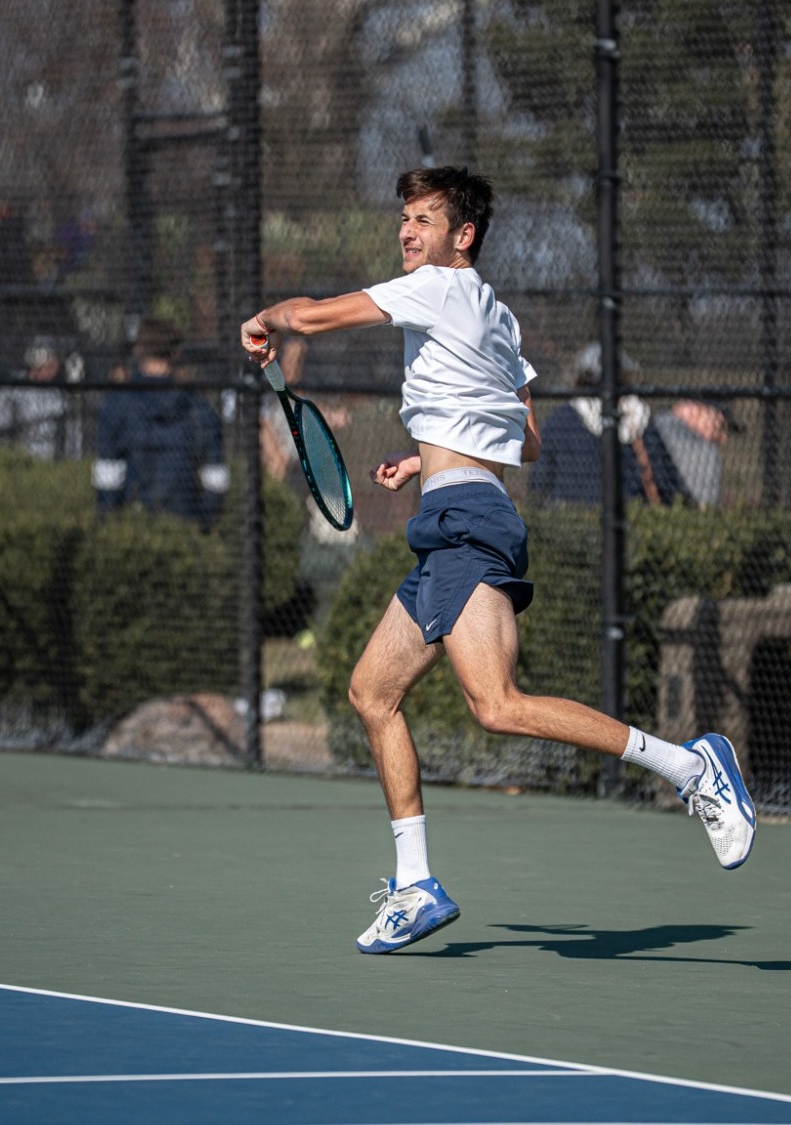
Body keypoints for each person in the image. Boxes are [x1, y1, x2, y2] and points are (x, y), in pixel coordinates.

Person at [239, 166, 755, 955]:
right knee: (372, 691)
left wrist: (269, 319)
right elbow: (526, 439)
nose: (407, 231)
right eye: (403, 218)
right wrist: (430, 462)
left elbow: (317, 315)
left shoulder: (441, 289)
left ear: (462, 236)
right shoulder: (499, 319)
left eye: (423, 219)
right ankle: (415, 883)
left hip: (467, 523)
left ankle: (691, 768)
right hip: (463, 510)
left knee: (497, 703)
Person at [94, 319, 228, 523]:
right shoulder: (198, 408)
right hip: (185, 523)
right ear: (176, 353)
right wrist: (203, 524)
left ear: (139, 350)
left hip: (132, 526)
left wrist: (112, 523)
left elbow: (107, 477)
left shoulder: (117, 404)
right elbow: (216, 479)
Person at [527, 342, 690, 507]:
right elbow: (666, 482)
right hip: (633, 516)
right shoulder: (639, 418)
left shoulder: (560, 421)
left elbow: (539, 484)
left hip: (571, 517)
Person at [0, 337, 81, 460]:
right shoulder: (15, 388)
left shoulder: (58, 393)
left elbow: (72, 433)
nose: (56, 368)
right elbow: (2, 427)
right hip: (23, 457)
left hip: (51, 460)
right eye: (51, 365)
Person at [653, 399, 733, 507]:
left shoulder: (653, 428)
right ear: (692, 410)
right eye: (720, 426)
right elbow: (705, 508)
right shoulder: (704, 453)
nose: (724, 439)